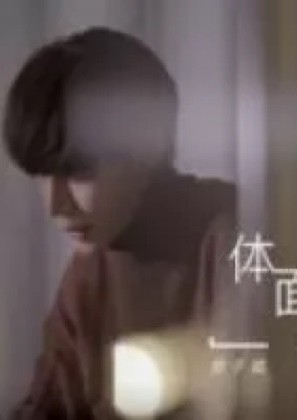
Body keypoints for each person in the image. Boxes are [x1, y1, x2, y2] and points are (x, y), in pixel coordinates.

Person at [3, 27, 237, 419]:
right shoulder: (88, 273)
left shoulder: (234, 238)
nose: (55, 205)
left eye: (78, 171)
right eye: (42, 174)